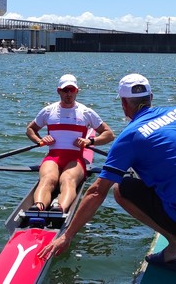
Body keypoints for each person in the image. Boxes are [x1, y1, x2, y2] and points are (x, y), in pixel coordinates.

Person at [37, 73, 176, 274]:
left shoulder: (130, 136)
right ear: (151, 96)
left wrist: (67, 235)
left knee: (122, 188)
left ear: (124, 104)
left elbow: (96, 192)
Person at [26, 74, 114, 213]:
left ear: (77, 91)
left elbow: (109, 134)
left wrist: (90, 141)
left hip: (75, 159)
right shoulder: (48, 111)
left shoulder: (86, 112)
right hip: (52, 157)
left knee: (67, 180)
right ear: (58, 91)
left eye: (71, 90)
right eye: (65, 90)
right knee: (48, 179)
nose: (68, 94)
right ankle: (39, 207)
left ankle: (60, 208)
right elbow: (30, 129)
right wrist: (40, 140)